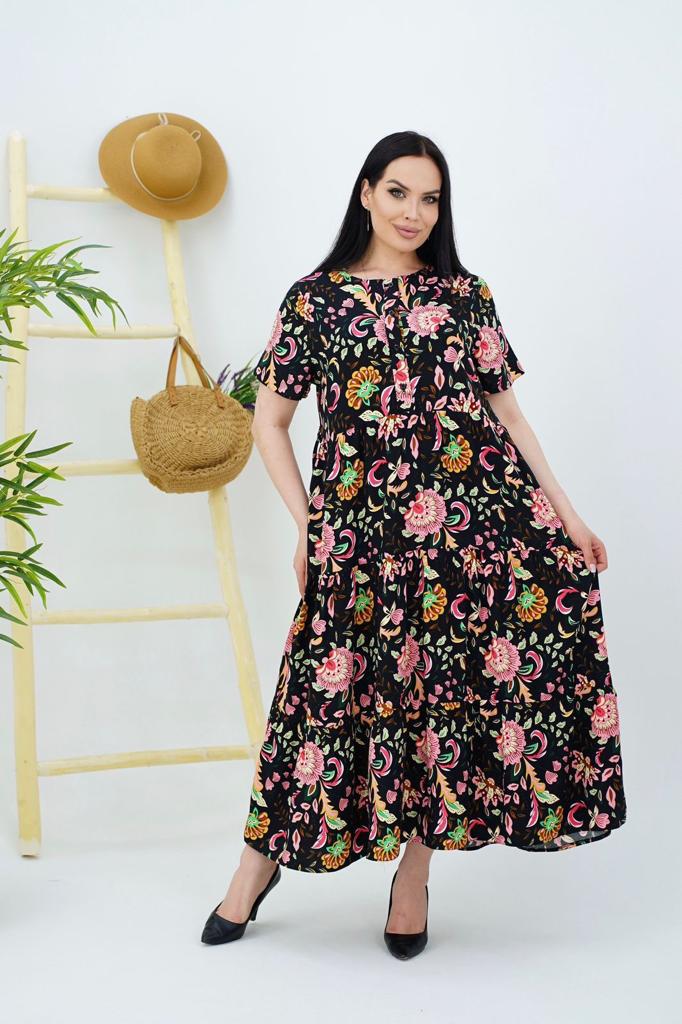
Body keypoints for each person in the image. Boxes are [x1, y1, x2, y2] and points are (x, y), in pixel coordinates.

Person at [201, 131, 627, 958]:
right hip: (358, 536)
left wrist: (567, 515)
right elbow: (270, 423)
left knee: (443, 701)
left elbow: (506, 414)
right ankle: (256, 866)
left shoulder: (465, 293)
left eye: (430, 198)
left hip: (470, 531)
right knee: (317, 701)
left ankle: (414, 876)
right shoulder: (314, 299)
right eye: (398, 192)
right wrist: (310, 527)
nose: (414, 212)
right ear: (366, 192)